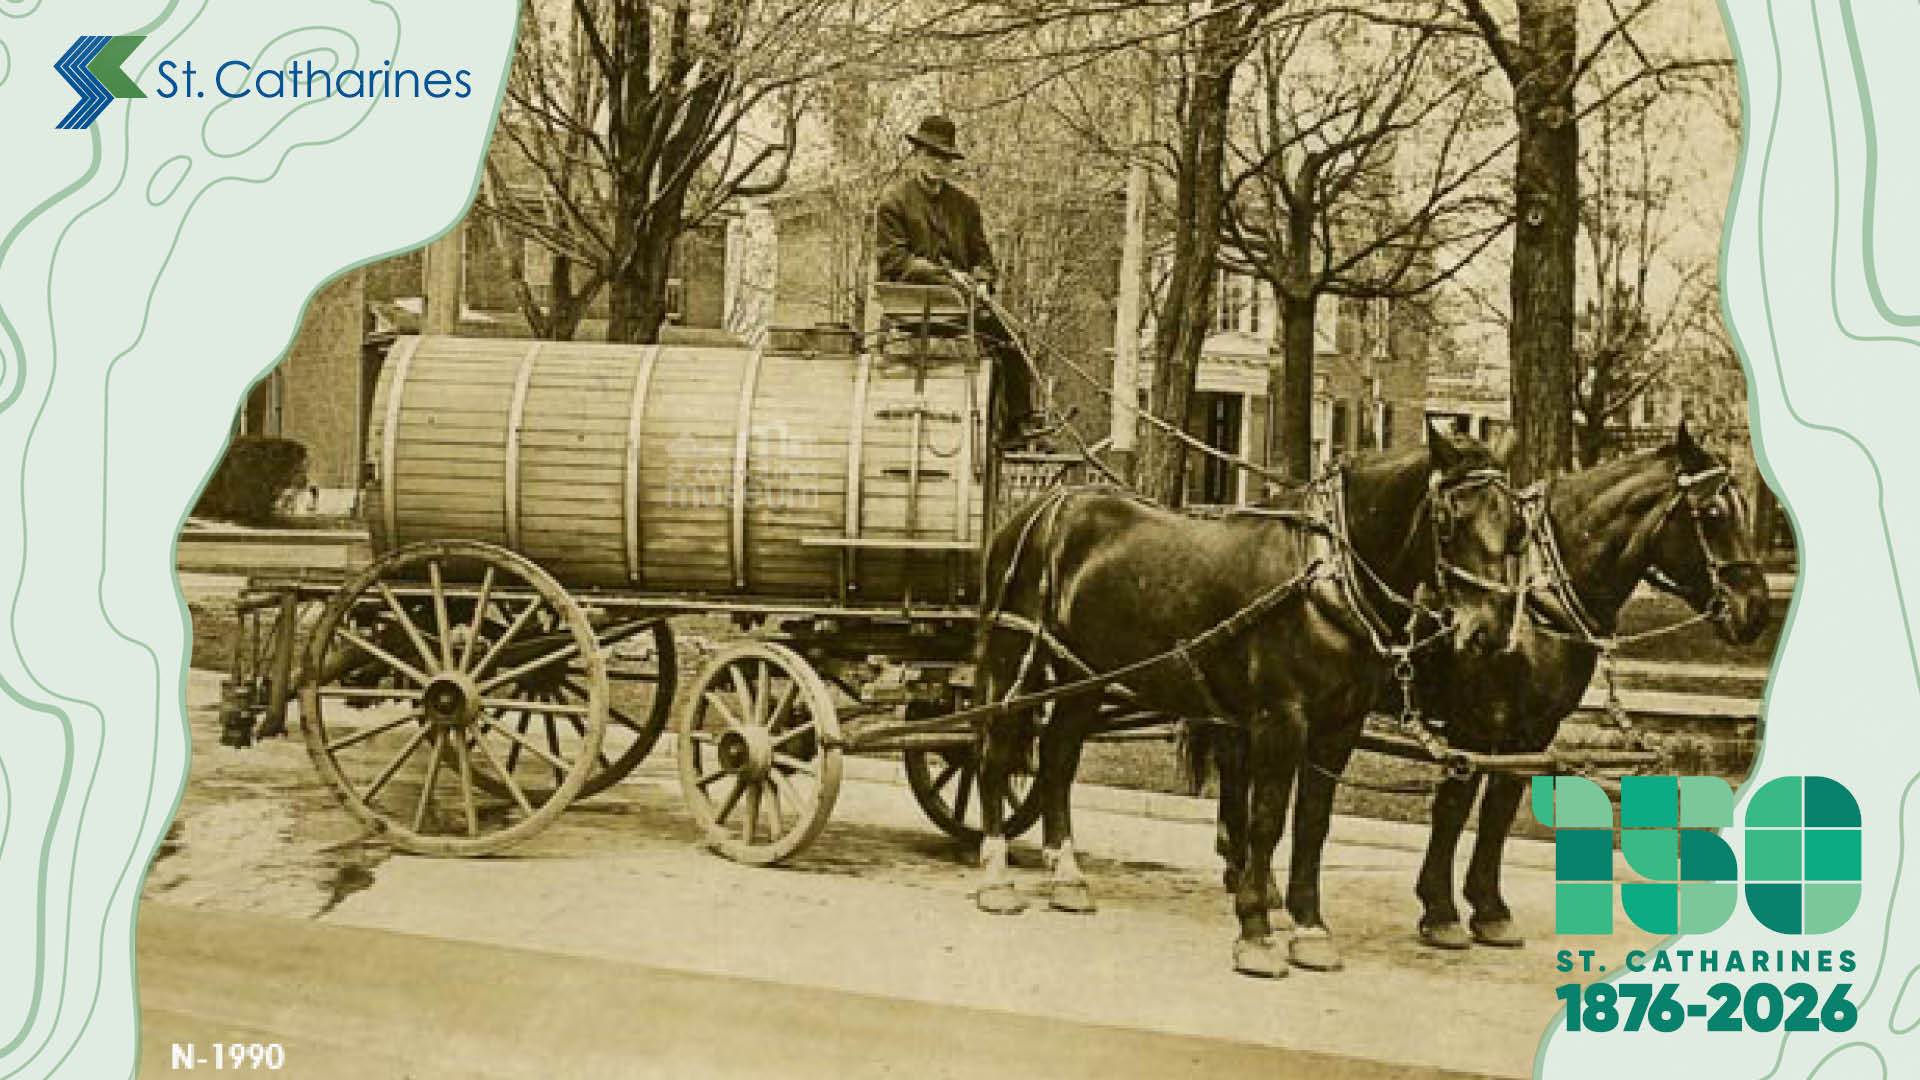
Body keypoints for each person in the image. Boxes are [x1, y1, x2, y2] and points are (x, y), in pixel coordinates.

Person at [875, 115, 1043, 444]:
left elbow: (983, 259)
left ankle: (1014, 424)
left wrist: (981, 281)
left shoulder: (965, 207)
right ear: (917, 155)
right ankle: (1013, 421)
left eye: (945, 158)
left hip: (961, 305)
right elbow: (895, 261)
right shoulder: (893, 202)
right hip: (913, 305)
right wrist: (946, 275)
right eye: (931, 155)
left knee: (1012, 333)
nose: (938, 164)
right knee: (998, 330)